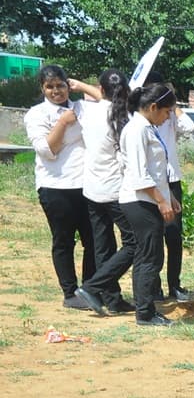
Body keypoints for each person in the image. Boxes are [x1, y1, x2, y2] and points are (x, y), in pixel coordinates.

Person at [106, 82, 181, 327]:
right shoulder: (137, 129)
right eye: (167, 112)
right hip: (141, 201)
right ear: (153, 107)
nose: (168, 117)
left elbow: (156, 170)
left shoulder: (146, 127)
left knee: (148, 255)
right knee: (150, 257)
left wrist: (169, 196)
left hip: (148, 199)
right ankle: (145, 313)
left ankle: (144, 308)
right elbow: (140, 175)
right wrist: (161, 201)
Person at [24, 64, 95, 309]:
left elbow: (108, 101)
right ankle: (70, 293)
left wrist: (82, 86)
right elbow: (48, 150)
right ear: (42, 89)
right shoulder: (36, 114)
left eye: (61, 85)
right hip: (55, 186)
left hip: (86, 185)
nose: (56, 91)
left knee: (93, 240)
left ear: (68, 85)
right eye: (50, 87)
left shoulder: (82, 108)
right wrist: (63, 122)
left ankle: (90, 289)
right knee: (64, 240)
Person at [72, 70, 135, 315]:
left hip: (92, 188)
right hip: (116, 190)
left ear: (100, 88)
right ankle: (92, 287)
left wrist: (81, 86)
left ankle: (113, 299)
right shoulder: (124, 116)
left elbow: (100, 98)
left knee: (103, 246)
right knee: (135, 243)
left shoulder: (85, 110)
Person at [143, 70, 194, 303]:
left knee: (173, 235)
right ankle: (153, 287)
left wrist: (172, 104)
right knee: (152, 237)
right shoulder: (139, 119)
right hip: (148, 183)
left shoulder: (169, 114)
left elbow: (188, 126)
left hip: (170, 181)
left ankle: (175, 284)